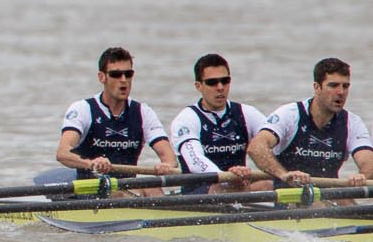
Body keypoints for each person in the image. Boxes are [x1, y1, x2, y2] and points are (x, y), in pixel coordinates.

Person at [54, 46, 177, 178]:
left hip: (128, 189)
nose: (123, 80)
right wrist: (91, 164)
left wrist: (166, 166)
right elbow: (63, 153)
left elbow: (170, 159)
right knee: (120, 193)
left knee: (151, 187)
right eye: (116, 74)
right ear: (102, 77)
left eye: (128, 74)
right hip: (91, 189)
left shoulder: (143, 112)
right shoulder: (83, 109)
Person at [248, 57, 373, 184]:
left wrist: (361, 176)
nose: (341, 92)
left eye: (345, 86)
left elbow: (368, 162)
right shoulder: (290, 114)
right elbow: (256, 148)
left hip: (330, 196)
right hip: (290, 196)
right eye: (333, 85)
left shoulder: (351, 122)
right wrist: (284, 175)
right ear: (317, 87)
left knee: (344, 201)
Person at [166, 54, 268, 193]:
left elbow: (274, 144)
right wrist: (227, 178)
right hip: (200, 192)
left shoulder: (246, 113)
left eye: (225, 81)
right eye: (212, 82)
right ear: (199, 86)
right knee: (219, 188)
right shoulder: (186, 119)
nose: (220, 87)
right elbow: (195, 161)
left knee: (268, 183)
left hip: (239, 186)